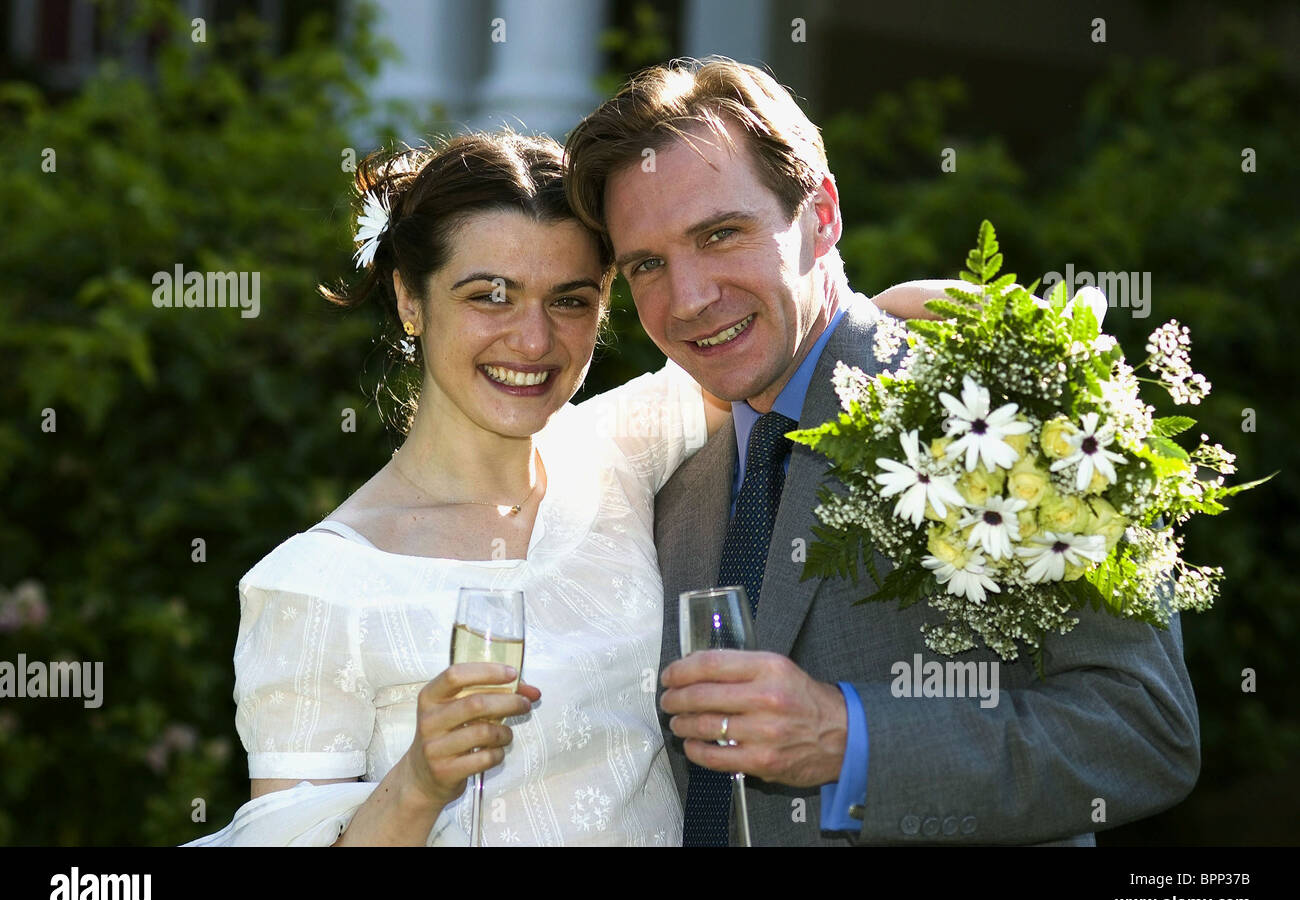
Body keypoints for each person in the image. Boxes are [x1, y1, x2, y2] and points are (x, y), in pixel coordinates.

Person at [184, 130, 940, 846]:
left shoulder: (616, 449)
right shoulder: (315, 588)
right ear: (411, 299)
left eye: (570, 300)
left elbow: (797, 335)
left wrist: (957, 319)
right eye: (489, 295)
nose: (534, 340)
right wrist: (419, 779)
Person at [563, 57, 1202, 846]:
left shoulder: (998, 403)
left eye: (720, 233)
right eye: (648, 266)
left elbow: (1146, 730)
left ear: (822, 213)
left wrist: (848, 737)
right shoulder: (673, 489)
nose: (689, 297)